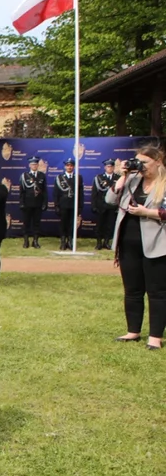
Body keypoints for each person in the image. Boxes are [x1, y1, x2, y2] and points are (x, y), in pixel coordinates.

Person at [106, 142, 166, 351]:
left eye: (145, 162)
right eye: (137, 162)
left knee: (157, 292)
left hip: (157, 245)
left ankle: (155, 337)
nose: (140, 166)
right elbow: (109, 199)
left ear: (158, 162)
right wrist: (122, 176)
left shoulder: (164, 183)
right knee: (132, 290)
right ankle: (133, 331)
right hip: (128, 244)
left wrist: (147, 213)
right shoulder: (131, 180)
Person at [53, 157, 85, 250]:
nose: (69, 167)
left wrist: (80, 206)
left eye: (71, 166)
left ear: (74, 167)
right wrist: (56, 205)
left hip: (74, 205)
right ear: (65, 167)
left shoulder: (78, 177)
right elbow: (56, 193)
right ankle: (63, 241)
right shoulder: (59, 178)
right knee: (63, 224)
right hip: (63, 205)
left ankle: (70, 241)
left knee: (72, 224)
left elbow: (81, 193)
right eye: (68, 165)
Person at [18, 156, 47, 248]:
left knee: (36, 223)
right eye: (32, 164)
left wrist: (44, 203)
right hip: (27, 203)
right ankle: (26, 241)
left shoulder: (42, 176)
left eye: (36, 164)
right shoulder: (25, 176)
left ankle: (35, 241)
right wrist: (22, 202)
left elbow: (44, 191)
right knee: (26, 222)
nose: (34, 166)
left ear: (38, 165)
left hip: (38, 203)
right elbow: (22, 191)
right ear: (29, 165)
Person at [92, 158, 121, 250]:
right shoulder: (99, 178)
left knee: (110, 225)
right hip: (101, 205)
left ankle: (107, 242)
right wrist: (94, 205)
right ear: (105, 167)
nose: (110, 168)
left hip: (112, 206)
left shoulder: (118, 178)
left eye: (111, 166)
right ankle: (99, 242)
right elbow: (94, 193)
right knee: (100, 225)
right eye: (108, 166)